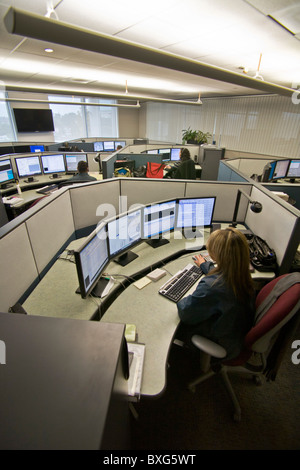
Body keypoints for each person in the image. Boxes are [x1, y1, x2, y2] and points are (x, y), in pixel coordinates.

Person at [176, 227, 255, 360]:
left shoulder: (211, 287)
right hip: (234, 333)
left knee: (173, 327)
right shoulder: (241, 274)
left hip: (220, 342)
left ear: (217, 256)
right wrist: (204, 265)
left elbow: (185, 313)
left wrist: (178, 295)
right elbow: (221, 274)